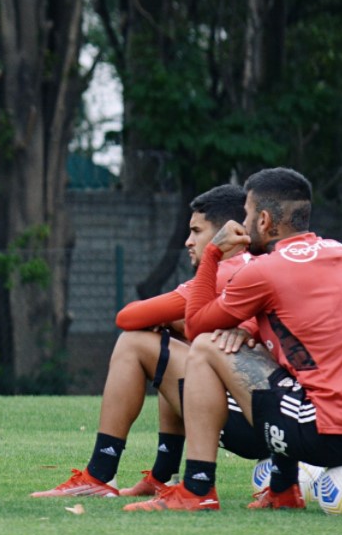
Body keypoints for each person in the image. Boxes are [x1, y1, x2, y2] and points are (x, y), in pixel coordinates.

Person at [126, 167, 342, 512]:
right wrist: (252, 329)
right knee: (290, 363)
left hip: (329, 434)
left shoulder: (264, 270)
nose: (243, 221)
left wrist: (212, 255)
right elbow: (308, 331)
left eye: (247, 213)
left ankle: (197, 489)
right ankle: (282, 490)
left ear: (264, 220)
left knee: (207, 348)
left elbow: (196, 326)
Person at [32, 184, 266, 498]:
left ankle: (99, 475)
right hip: (272, 421)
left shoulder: (225, 272)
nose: (188, 241)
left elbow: (127, 317)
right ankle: (162, 476)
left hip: (238, 420)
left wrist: (173, 321)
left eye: (196, 231)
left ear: (227, 233)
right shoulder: (259, 267)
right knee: (174, 345)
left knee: (134, 342)